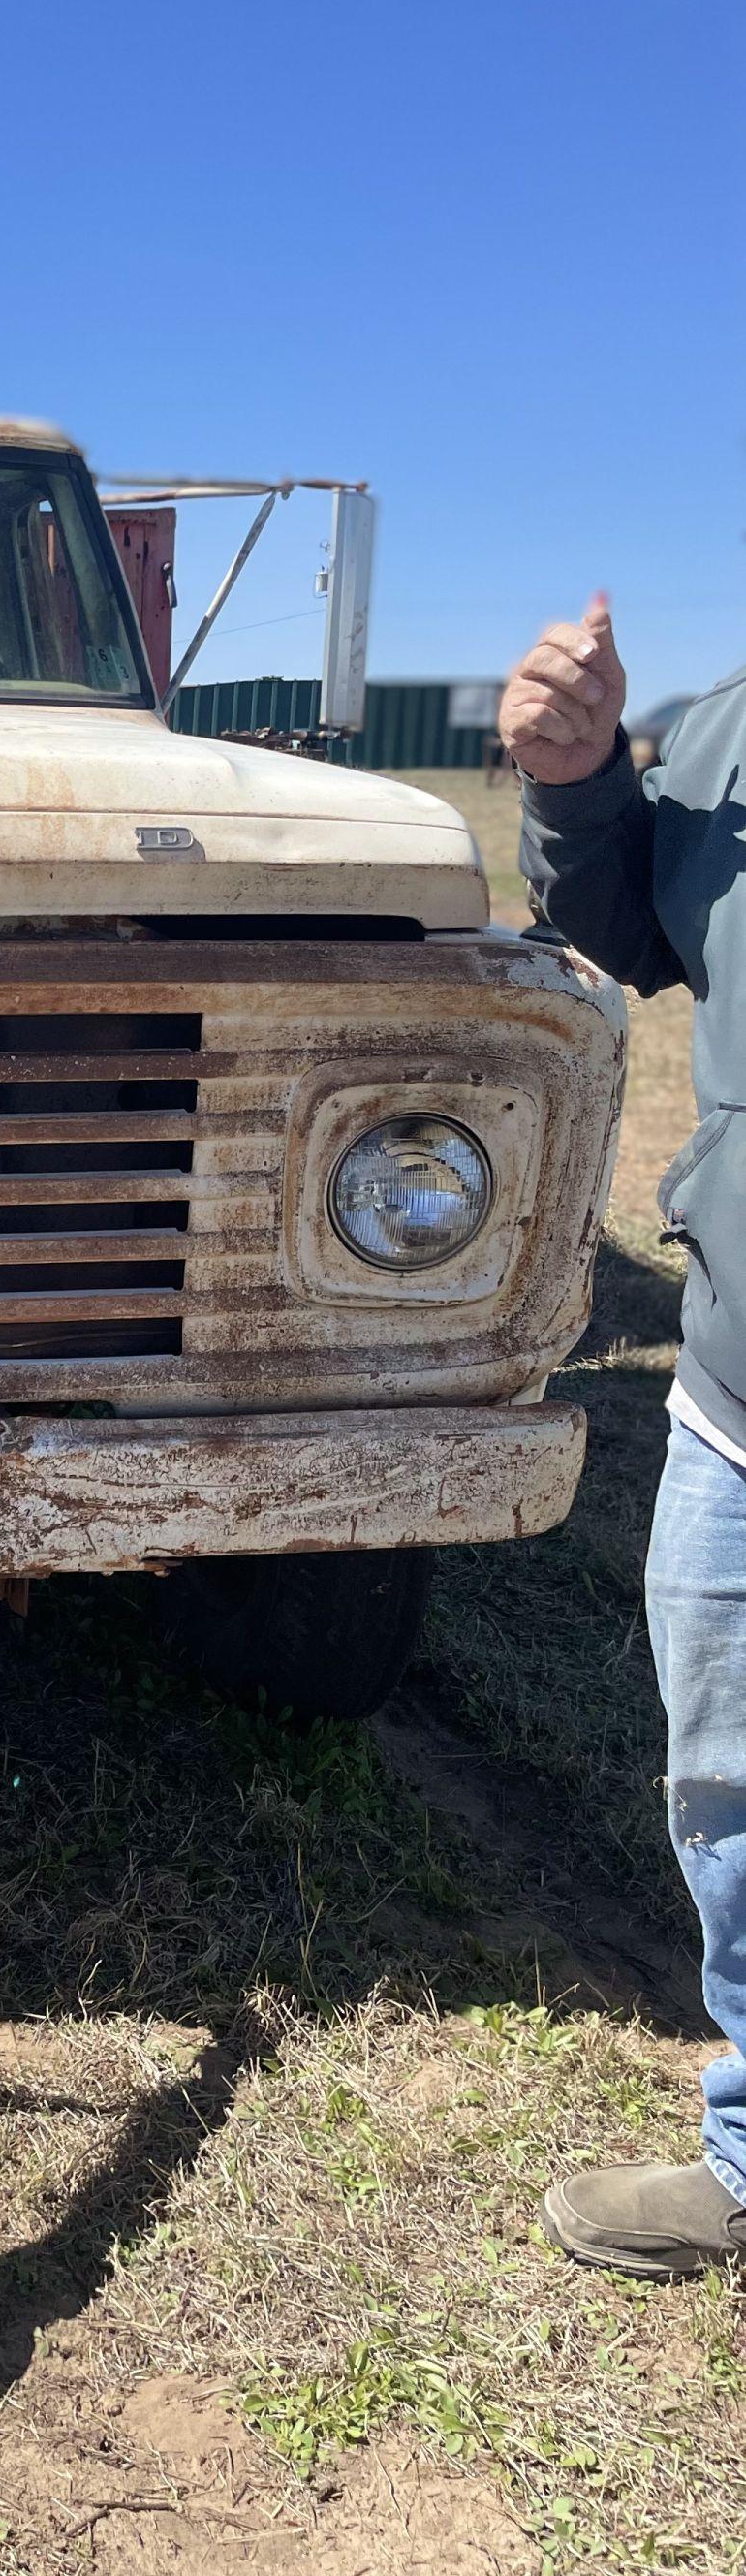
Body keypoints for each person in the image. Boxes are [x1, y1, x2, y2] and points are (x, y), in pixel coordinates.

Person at [504, 596, 746, 2277]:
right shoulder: (731, 729)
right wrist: (579, 784)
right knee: (728, 1789)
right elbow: (633, 923)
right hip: (739, 1398)